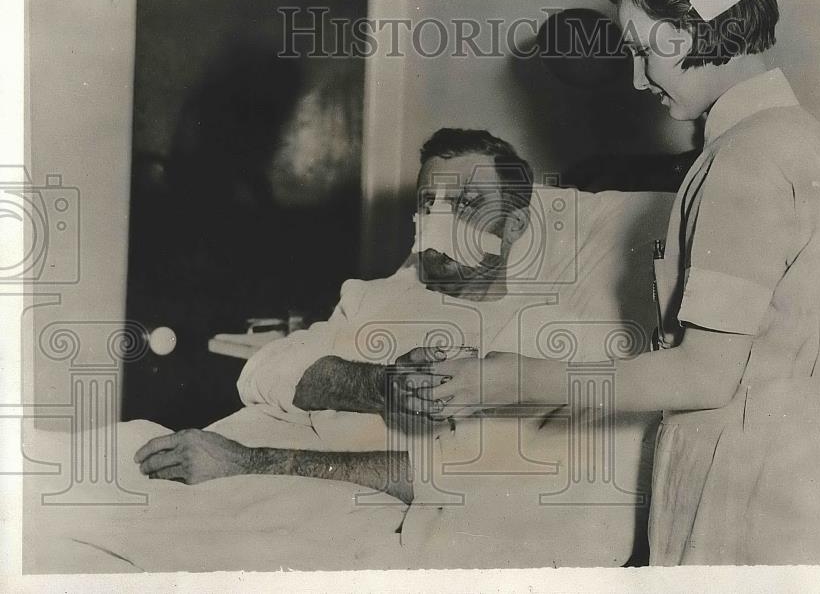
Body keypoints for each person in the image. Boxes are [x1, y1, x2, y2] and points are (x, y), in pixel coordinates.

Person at [417, 0, 820, 565]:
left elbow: (703, 376)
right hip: (808, 474)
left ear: (693, 28)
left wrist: (508, 381)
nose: (639, 79)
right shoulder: (802, 140)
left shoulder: (742, 163)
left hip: (742, 488)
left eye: (643, 49)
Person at [133, 128, 655, 539]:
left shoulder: (541, 334)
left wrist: (247, 464)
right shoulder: (376, 296)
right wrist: (378, 386)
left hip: (318, 500)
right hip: (226, 456)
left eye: (468, 203)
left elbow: (455, 474)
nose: (440, 220)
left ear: (516, 226)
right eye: (430, 203)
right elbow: (263, 372)